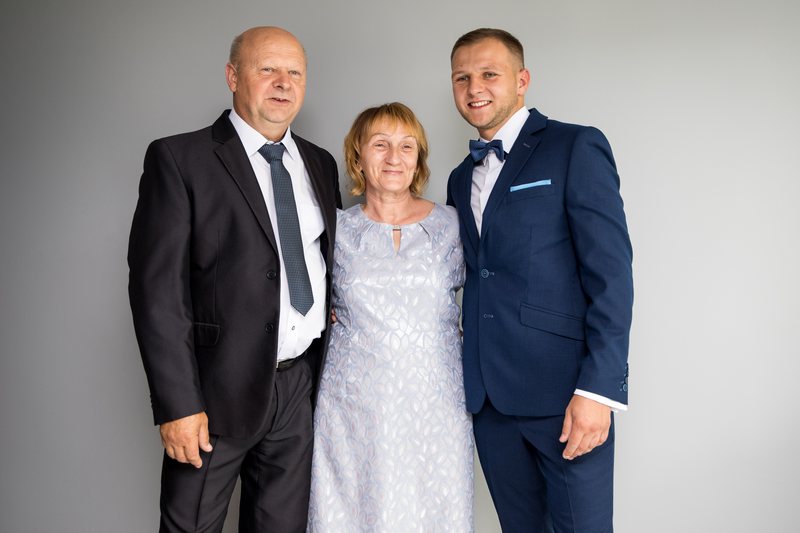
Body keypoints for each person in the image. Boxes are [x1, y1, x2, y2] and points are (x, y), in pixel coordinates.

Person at [128, 26, 341, 532]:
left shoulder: (320, 163)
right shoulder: (179, 158)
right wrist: (178, 405)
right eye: (268, 69)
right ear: (232, 76)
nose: (283, 83)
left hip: (298, 388)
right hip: (213, 393)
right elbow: (157, 293)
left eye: (295, 72)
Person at [446, 28, 634, 532]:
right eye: (462, 78)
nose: (474, 88)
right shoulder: (460, 178)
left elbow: (611, 275)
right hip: (489, 401)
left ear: (522, 80)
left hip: (566, 396)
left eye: (489, 74)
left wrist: (598, 391)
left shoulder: (575, 146)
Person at [307, 102, 473, 532]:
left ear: (418, 159)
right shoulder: (334, 230)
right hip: (352, 410)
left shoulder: (454, 226)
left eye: (406, 146)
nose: (394, 157)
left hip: (436, 406)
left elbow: (493, 296)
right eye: (380, 145)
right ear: (358, 157)